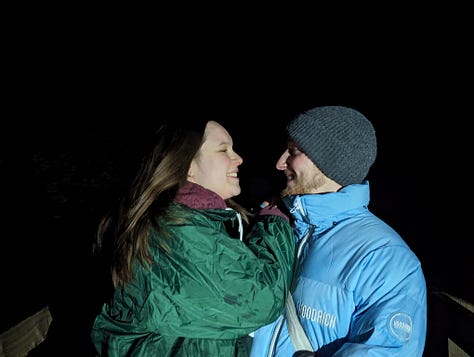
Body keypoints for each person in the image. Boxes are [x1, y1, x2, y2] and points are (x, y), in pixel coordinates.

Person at [90, 119, 296, 356]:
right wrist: (274, 222)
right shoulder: (173, 229)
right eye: (223, 149)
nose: (238, 158)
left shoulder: (201, 221)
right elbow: (259, 300)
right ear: (187, 165)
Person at [250, 106, 427, 356]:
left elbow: (387, 350)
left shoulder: (385, 256)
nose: (280, 163)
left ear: (329, 160)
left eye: (293, 151)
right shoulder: (280, 226)